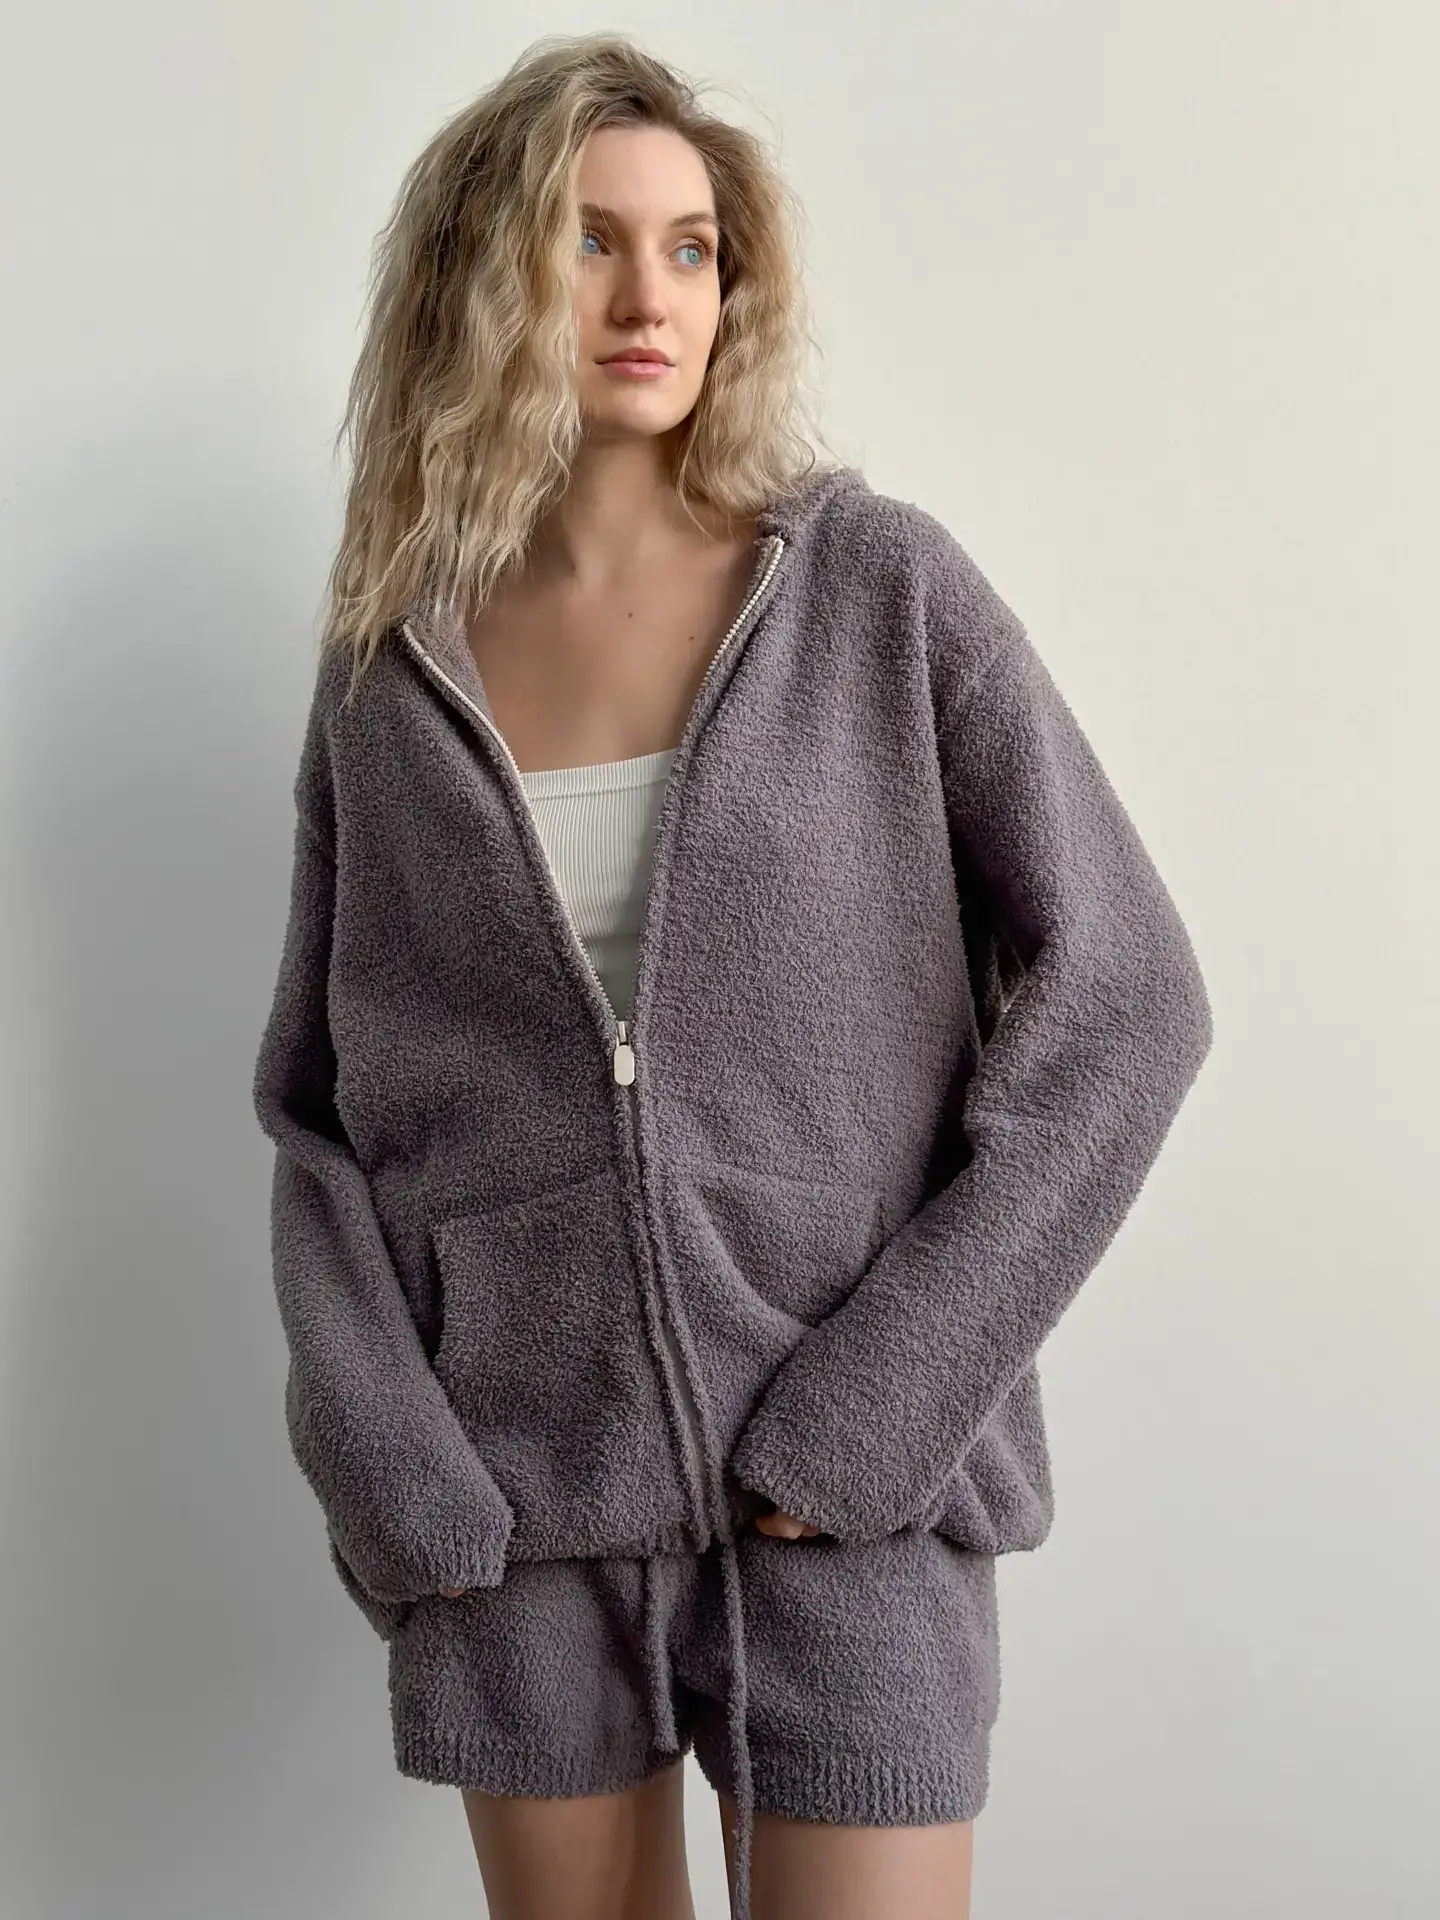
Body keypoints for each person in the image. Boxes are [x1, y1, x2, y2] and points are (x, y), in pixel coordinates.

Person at [250, 30, 1213, 1920]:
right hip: (518, 1520)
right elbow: (318, 1115)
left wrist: (884, 1407)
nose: (651, 296)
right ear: (481, 274)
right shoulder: (389, 670)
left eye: (692, 248)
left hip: (856, 1499)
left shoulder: (879, 592)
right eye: (590, 240)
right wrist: (396, 1472)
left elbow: (1132, 1003)